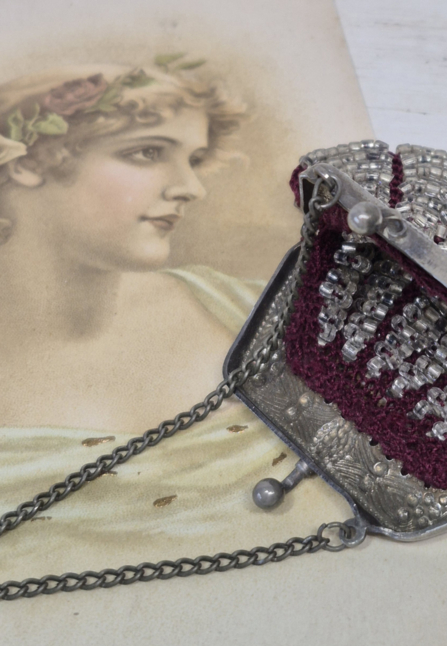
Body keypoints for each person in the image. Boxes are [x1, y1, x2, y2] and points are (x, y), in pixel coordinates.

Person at [0, 62, 261, 432]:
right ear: (29, 161)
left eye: (193, 160)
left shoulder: (241, 306)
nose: (192, 188)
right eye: (148, 152)